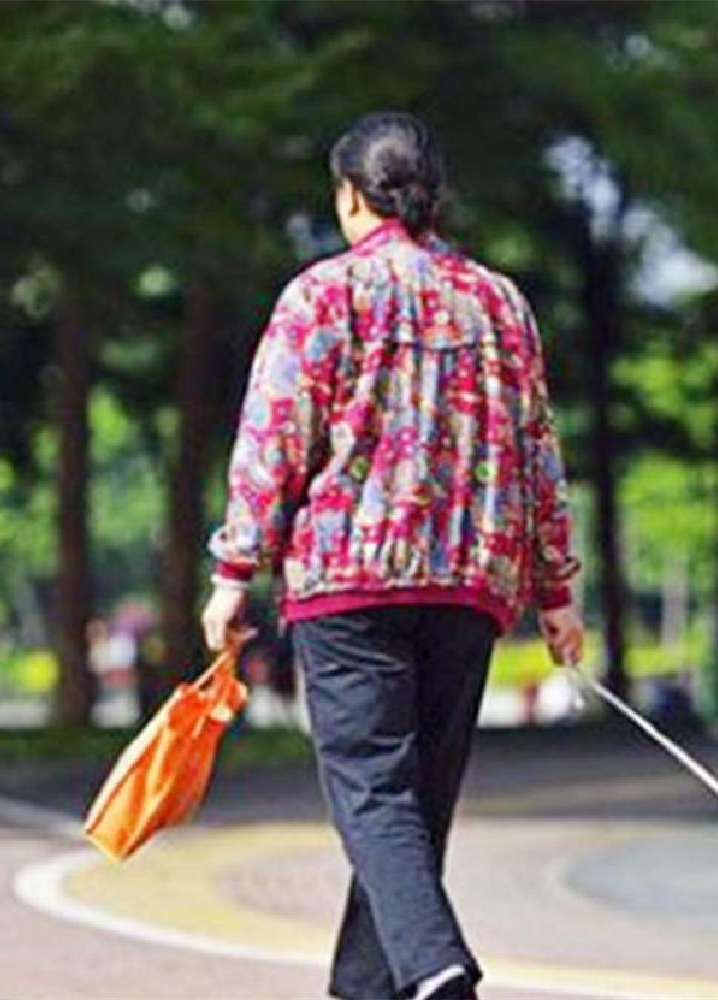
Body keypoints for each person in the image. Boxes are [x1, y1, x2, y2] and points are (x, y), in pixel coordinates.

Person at [201, 111, 585, 1000]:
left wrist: (234, 571)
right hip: (469, 582)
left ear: (350, 195)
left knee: (374, 796)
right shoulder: (499, 302)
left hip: (350, 580)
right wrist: (556, 589)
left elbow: (273, 438)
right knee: (416, 809)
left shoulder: (322, 296)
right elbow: (538, 450)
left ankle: (436, 968)